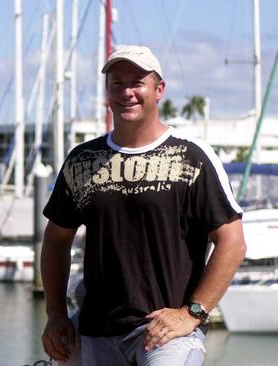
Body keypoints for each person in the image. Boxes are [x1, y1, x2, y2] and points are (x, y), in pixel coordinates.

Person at [40, 45, 246, 365]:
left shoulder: (191, 157)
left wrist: (193, 312)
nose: (127, 92)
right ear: (107, 91)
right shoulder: (82, 160)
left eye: (137, 82)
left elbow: (232, 242)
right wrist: (56, 316)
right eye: (117, 83)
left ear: (158, 89)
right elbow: (55, 240)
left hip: (166, 334)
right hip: (95, 329)